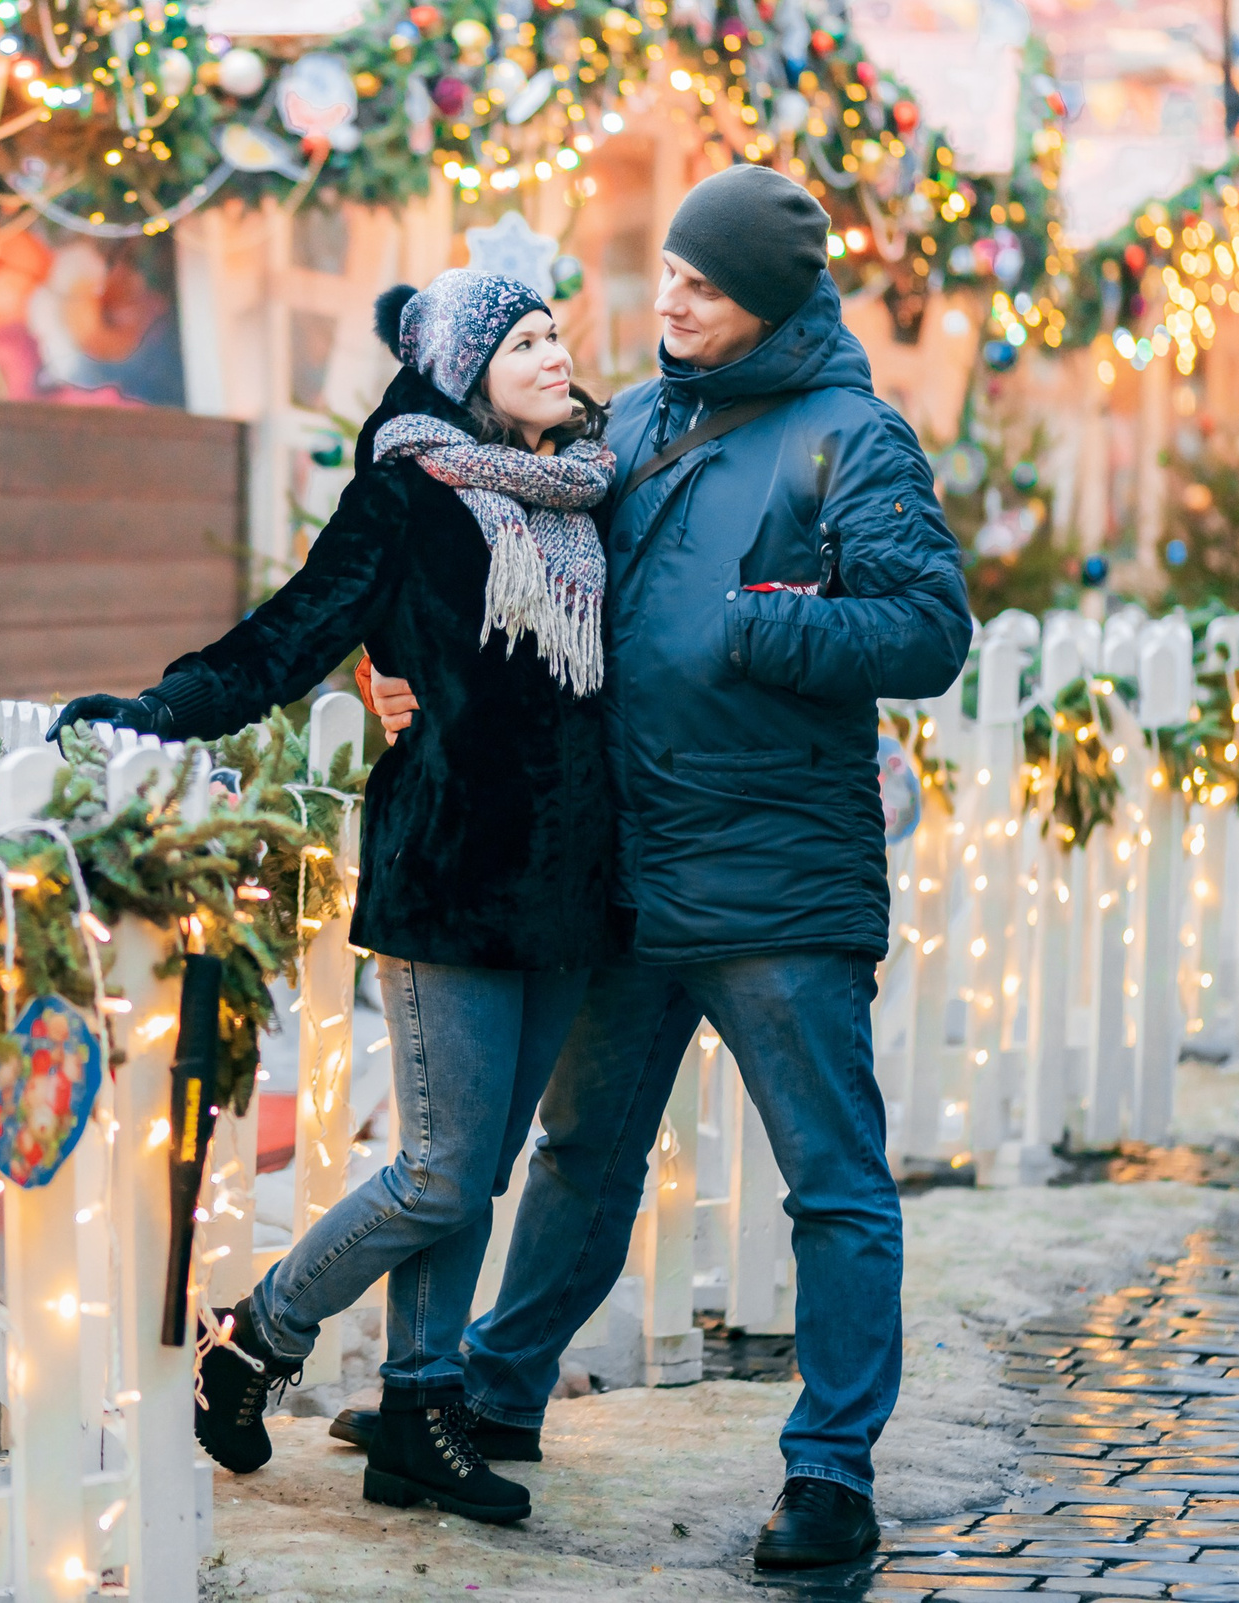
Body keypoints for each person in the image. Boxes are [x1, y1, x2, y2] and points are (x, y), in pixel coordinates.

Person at [352, 164, 971, 1568]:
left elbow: (929, 629)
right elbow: (497, 557)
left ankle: (830, 1472)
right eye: (672, 274)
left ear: (769, 301)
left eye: (704, 284)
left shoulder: (851, 438)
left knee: (830, 1179)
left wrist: (761, 625)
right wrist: (402, 669)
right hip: (622, 872)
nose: (670, 300)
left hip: (777, 883)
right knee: (580, 1153)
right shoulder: (624, 422)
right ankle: (496, 1391)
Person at [50, 268, 620, 1526]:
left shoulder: (590, 491)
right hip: (449, 873)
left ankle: (418, 1412)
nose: (553, 355)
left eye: (555, 335)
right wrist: (156, 713)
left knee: (478, 1171)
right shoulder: (407, 492)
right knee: (440, 1173)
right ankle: (256, 1336)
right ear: (464, 373)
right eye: (521, 342)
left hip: (566, 888)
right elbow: (292, 631)